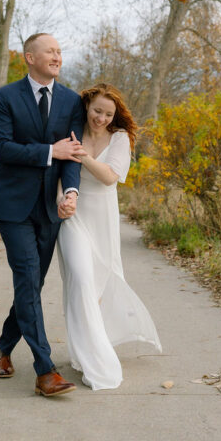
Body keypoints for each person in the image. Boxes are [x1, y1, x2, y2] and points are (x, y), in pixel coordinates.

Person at [0, 32, 85, 397]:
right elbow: (2, 149)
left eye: (60, 51)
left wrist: (71, 192)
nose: (57, 56)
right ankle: (45, 370)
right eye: (50, 51)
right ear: (30, 57)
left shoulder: (70, 100)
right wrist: (50, 152)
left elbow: (72, 153)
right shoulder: (6, 97)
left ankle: (3, 348)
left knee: (32, 284)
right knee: (28, 280)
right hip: (13, 207)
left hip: (50, 208)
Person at [57, 83, 161, 390]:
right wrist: (62, 199)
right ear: (87, 106)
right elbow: (58, 171)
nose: (101, 118)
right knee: (80, 279)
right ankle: (96, 357)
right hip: (72, 217)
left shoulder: (119, 138)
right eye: (97, 111)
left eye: (108, 113)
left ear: (115, 116)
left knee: (99, 284)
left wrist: (82, 156)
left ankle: (86, 348)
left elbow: (109, 177)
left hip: (101, 218)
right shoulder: (71, 130)